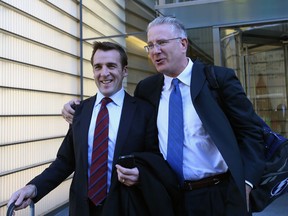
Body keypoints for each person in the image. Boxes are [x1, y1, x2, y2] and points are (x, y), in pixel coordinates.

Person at [62, 17, 266, 216]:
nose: (155, 51)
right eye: (150, 45)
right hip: (165, 196)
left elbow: (251, 133)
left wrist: (246, 184)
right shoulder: (147, 88)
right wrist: (77, 108)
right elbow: (129, 123)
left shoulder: (218, 79)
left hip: (216, 194)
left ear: (183, 44)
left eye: (161, 43)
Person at [7, 42, 179, 216]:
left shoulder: (144, 112)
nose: (104, 73)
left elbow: (155, 159)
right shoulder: (80, 111)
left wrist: (140, 175)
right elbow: (65, 161)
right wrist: (34, 188)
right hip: (83, 209)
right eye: (98, 67)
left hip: (126, 207)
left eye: (111, 66)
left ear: (124, 71)